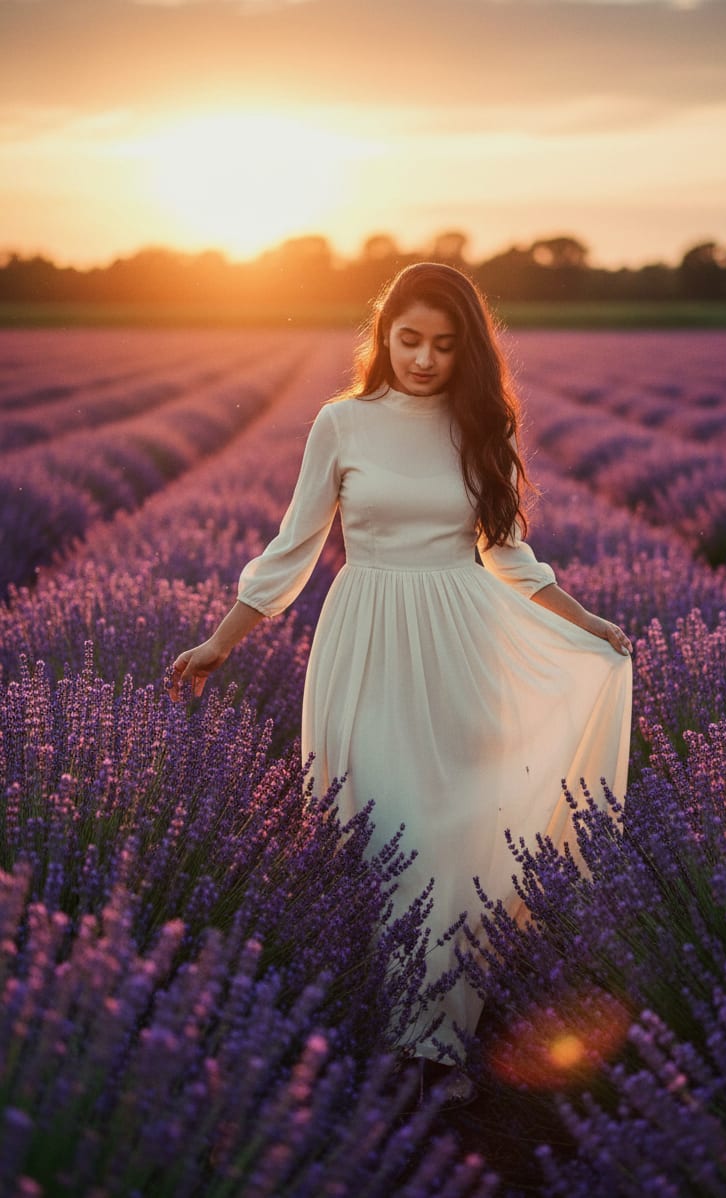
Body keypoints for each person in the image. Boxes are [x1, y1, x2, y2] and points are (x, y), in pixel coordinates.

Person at [169, 262, 632, 1101]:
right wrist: (220, 642)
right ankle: (374, 1028)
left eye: (444, 345)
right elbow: (293, 549)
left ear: (467, 351)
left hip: (463, 643)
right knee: (383, 832)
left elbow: (507, 555)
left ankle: (436, 1047)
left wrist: (586, 621)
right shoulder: (342, 422)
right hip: (367, 643)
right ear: (383, 336)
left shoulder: (480, 429)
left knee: (453, 836)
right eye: (408, 339)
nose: (423, 359)